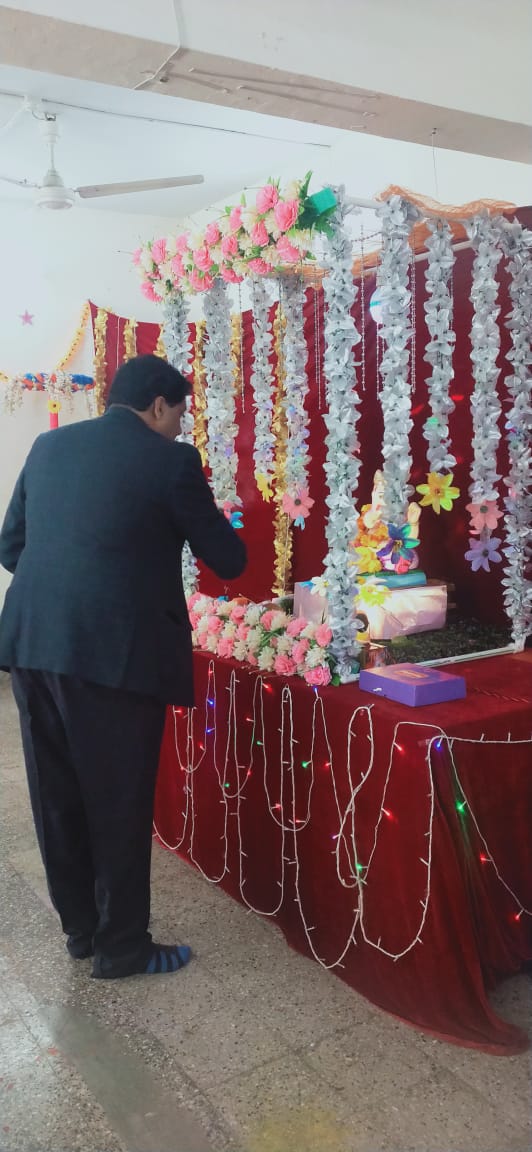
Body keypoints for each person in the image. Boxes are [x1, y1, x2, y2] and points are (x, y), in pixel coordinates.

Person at [0, 354, 246, 979]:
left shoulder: (49, 446)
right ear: (159, 406)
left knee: (55, 795)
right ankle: (124, 948)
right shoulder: (172, 461)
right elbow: (229, 559)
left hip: (33, 643)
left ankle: (82, 932)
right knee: (117, 801)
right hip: (114, 655)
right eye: (180, 414)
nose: (180, 427)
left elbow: (10, 547)